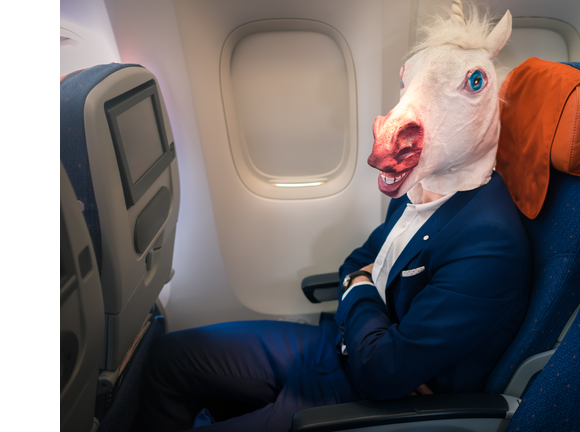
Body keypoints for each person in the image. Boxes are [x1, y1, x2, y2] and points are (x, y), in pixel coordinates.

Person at [131, 5, 530, 431]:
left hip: (366, 398)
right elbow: (354, 261)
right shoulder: (420, 185)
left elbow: (383, 370)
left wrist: (359, 287)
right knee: (166, 360)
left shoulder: (490, 241)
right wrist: (361, 290)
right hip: (338, 345)